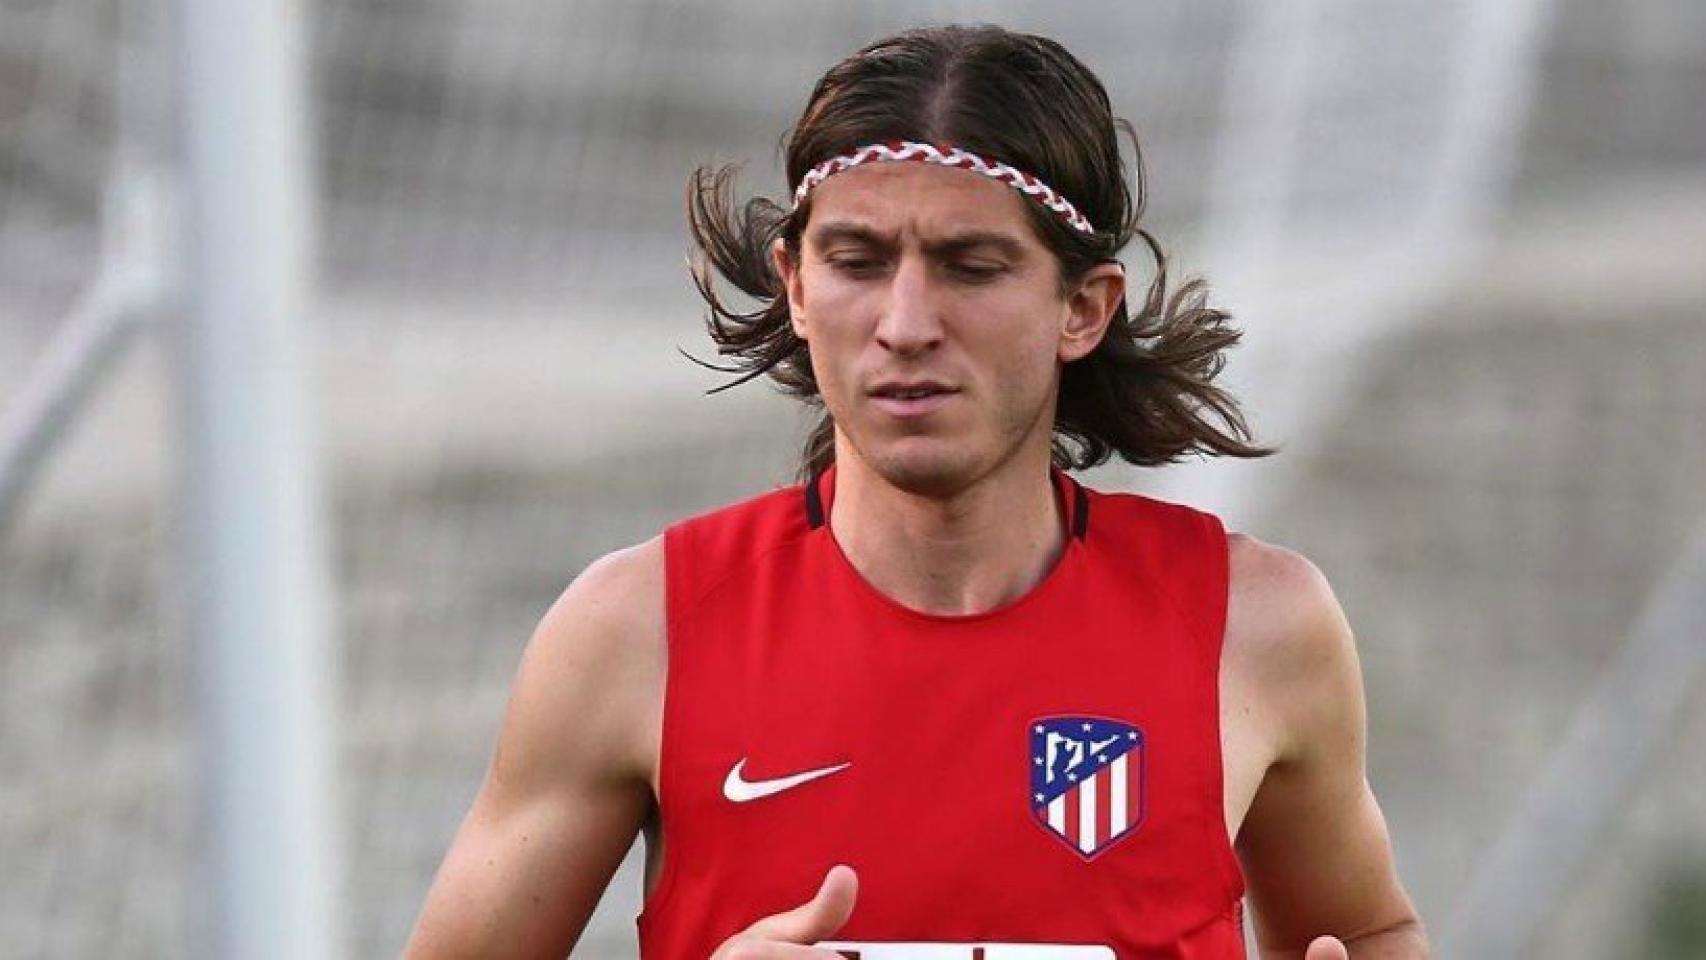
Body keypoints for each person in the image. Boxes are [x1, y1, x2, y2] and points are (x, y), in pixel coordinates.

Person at [404, 24, 1426, 960]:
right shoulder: (639, 630)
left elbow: (1369, 930)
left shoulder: (1254, 626)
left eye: (969, 268)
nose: (903, 324)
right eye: (855, 262)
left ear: (1082, 308)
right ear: (797, 288)